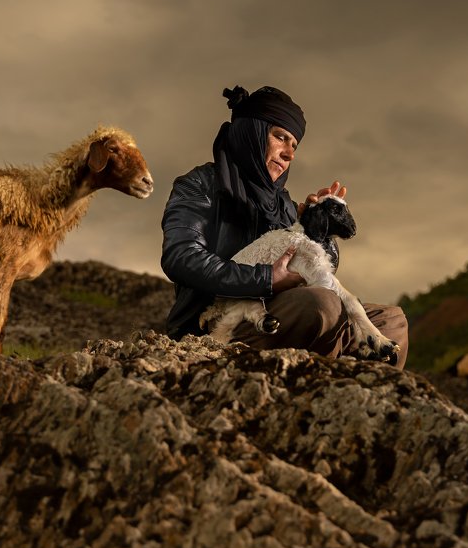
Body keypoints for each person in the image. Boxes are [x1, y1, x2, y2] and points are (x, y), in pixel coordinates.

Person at [160, 84, 408, 368]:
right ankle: (315, 382)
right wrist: (264, 279)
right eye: (280, 137)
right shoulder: (198, 184)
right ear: (251, 133)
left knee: (390, 320)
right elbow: (180, 257)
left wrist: (320, 230)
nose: (289, 154)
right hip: (217, 323)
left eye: (294, 145)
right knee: (322, 305)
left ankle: (361, 396)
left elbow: (316, 271)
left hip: (284, 310)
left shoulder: (285, 205)